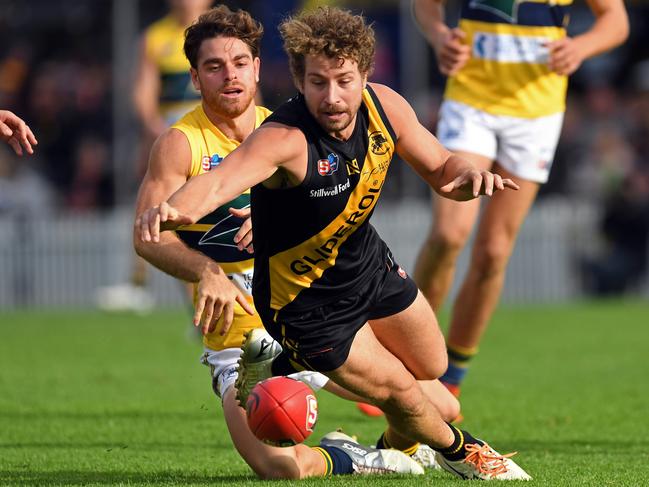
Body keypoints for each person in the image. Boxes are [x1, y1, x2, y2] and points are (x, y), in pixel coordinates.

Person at [136, 6, 531, 480]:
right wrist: (199, 257)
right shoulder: (201, 141)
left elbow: (441, 168)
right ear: (195, 79)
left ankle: (383, 453)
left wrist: (466, 175)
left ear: (259, 69)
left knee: (436, 394)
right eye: (214, 67)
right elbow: (210, 190)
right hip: (258, 329)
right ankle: (457, 456)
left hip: (340, 278)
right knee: (281, 465)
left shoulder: (299, 118)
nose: (230, 76)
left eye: (240, 63)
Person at [411, 0, 629, 400]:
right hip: (470, 103)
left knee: (493, 252)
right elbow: (426, 6)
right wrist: (440, 35)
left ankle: (451, 379)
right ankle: (407, 361)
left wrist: (580, 48)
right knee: (449, 234)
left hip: (536, 114)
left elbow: (616, 20)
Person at [96, 0, 213, 313]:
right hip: (175, 139)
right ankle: (142, 285)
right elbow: (142, 94)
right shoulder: (156, 38)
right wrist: (157, 132)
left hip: (216, 139)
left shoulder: (221, 31)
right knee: (161, 212)